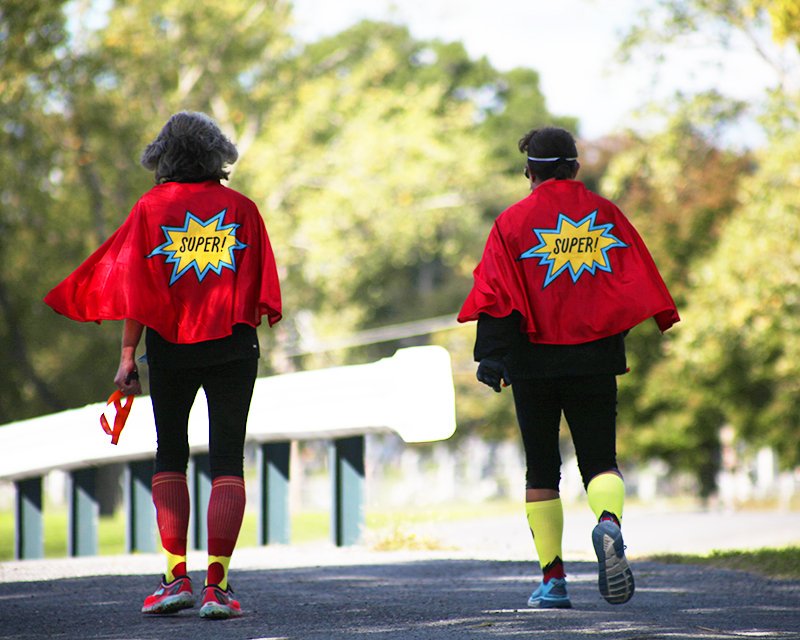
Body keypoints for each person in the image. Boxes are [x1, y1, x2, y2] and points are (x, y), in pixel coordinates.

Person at [44, 111, 282, 619]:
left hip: (170, 347)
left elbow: (135, 289)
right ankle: (218, 587)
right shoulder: (243, 210)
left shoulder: (152, 209)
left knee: (170, 453)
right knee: (227, 461)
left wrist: (128, 354)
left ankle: (176, 578)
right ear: (217, 153)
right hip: (234, 347)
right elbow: (260, 285)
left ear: (163, 156)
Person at [458, 126, 679, 609]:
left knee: (541, 470)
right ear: (575, 168)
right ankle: (609, 524)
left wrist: (491, 356)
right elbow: (634, 277)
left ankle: (553, 581)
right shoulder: (606, 215)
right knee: (600, 460)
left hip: (532, 360)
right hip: (595, 356)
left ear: (529, 172)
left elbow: (497, 292)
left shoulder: (512, 223)